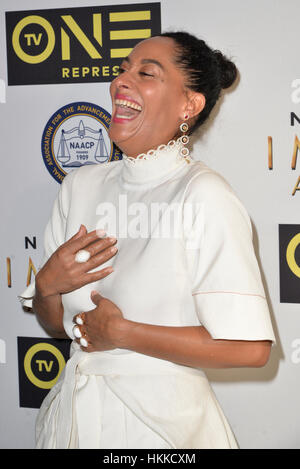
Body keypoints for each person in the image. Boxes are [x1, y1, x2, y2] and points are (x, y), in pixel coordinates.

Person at [20, 31, 276, 449]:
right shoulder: (80, 186)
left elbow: (250, 349)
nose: (121, 81)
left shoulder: (203, 193)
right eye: (123, 70)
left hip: (161, 433)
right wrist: (48, 285)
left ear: (188, 105)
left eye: (146, 73)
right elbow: (59, 327)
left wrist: (124, 333)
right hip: (75, 422)